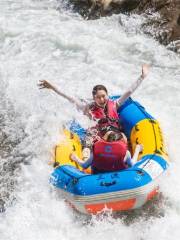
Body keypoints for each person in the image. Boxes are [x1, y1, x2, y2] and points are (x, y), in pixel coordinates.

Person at [38, 64, 150, 148]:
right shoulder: (87, 108)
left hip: (114, 134)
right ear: (94, 97)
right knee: (88, 142)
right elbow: (68, 96)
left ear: (107, 95)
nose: (102, 99)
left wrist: (142, 76)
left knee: (124, 139)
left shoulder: (115, 104)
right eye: (98, 97)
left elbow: (130, 91)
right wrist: (52, 87)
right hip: (97, 137)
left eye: (103, 96)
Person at [70, 131, 143, 174]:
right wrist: (137, 150)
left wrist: (75, 158)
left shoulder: (97, 149)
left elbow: (84, 165)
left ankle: (85, 150)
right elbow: (132, 165)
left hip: (96, 178)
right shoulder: (126, 153)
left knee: (87, 150)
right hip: (119, 179)